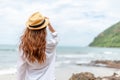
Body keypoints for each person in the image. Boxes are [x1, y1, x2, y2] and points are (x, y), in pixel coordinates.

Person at [17, 12, 58, 80]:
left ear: (29, 29)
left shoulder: (24, 47)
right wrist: (49, 24)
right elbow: (55, 36)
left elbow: (21, 68)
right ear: (44, 29)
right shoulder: (51, 44)